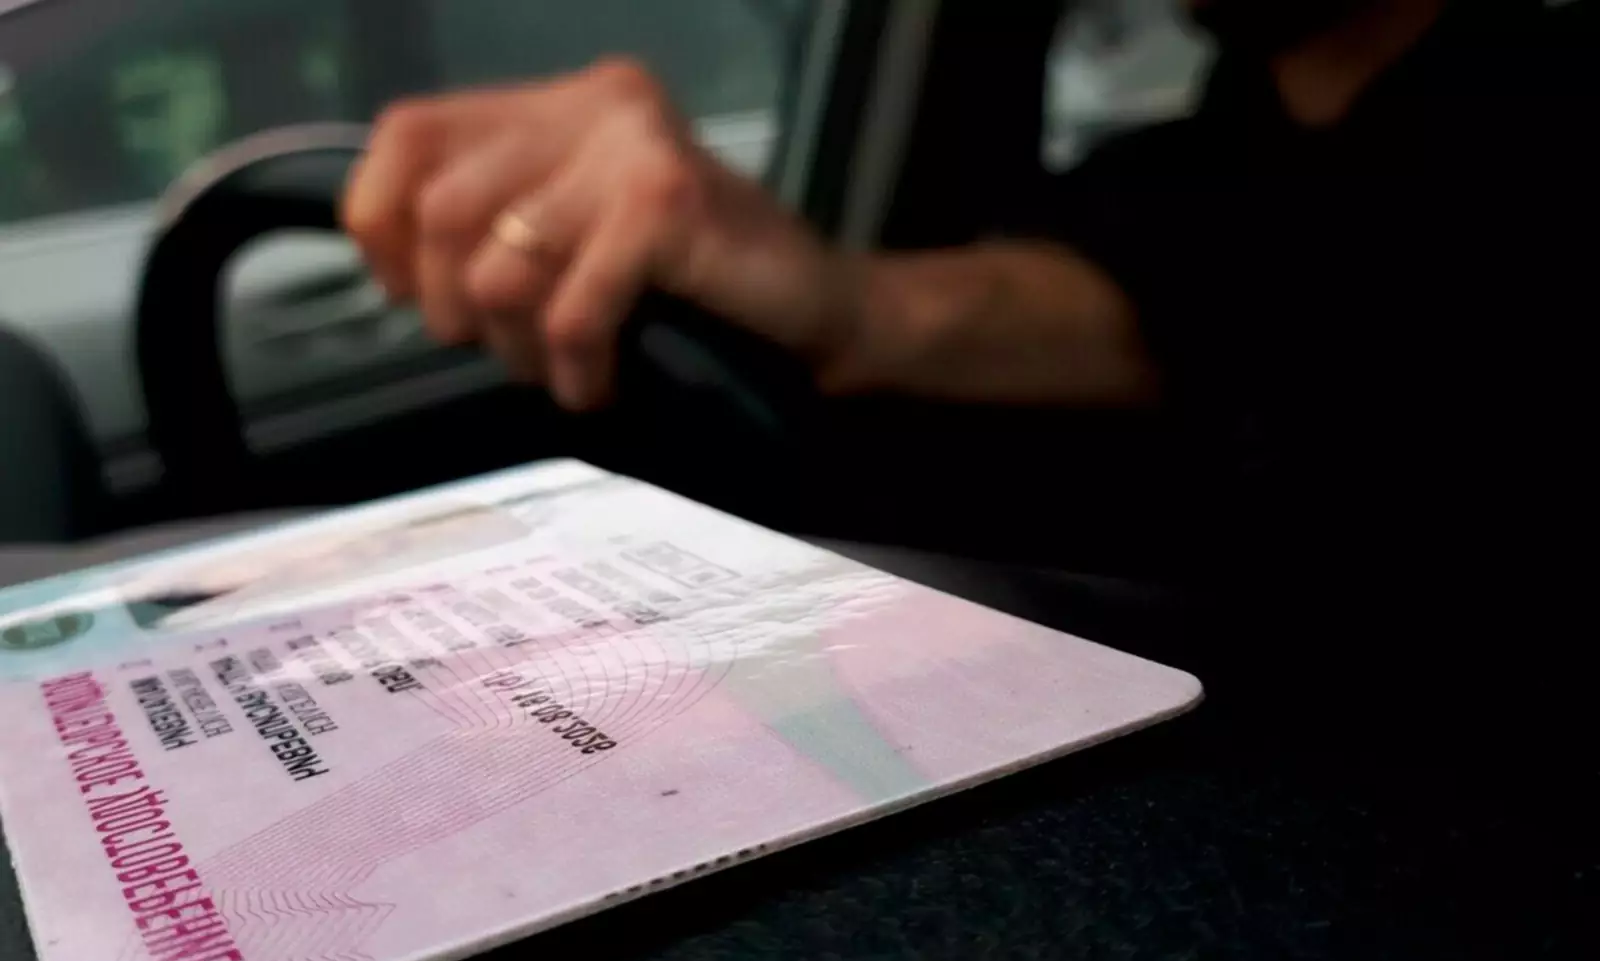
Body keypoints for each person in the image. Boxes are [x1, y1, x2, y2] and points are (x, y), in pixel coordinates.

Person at [342, 0, 1595, 733]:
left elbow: (1343, 310)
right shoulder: (1208, 153)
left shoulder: (1534, 114)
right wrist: (838, 301)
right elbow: (1159, 297)